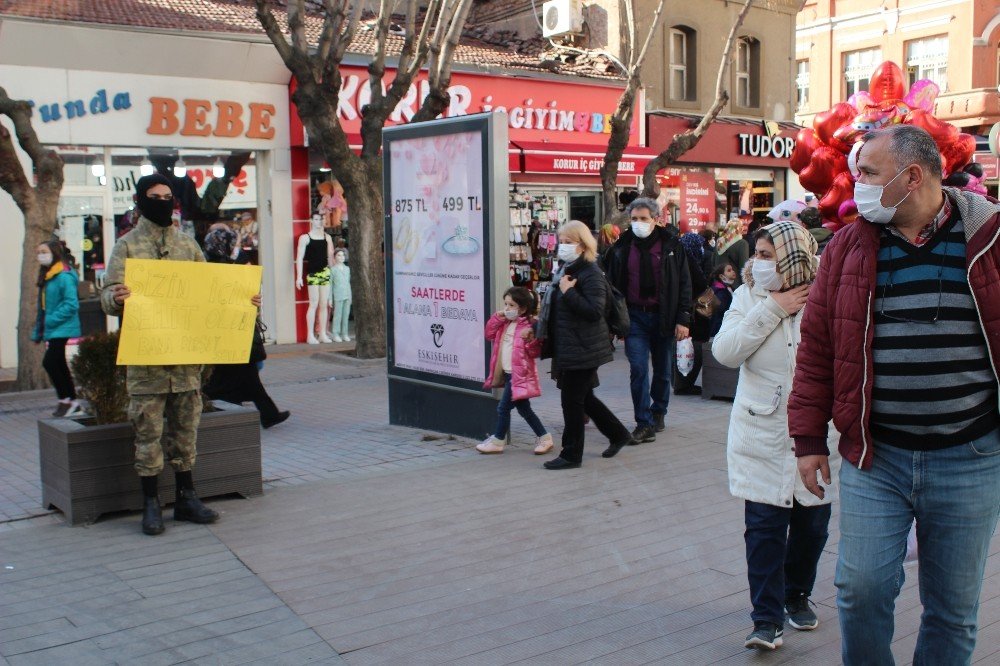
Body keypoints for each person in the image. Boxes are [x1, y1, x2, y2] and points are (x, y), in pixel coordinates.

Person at [789, 124, 1000, 664]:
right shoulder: (847, 246)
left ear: (912, 177)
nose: (855, 184)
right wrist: (808, 437)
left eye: (868, 174)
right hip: (874, 457)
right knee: (860, 593)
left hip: (970, 456)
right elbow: (815, 347)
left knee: (953, 611)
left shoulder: (990, 238)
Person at [101, 173, 261, 536]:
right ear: (141, 200)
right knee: (148, 433)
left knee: (186, 431)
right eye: (154, 196)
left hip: (186, 361)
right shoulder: (125, 246)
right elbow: (108, 294)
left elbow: (209, 294)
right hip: (147, 363)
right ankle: (152, 503)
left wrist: (243, 301)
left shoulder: (188, 246)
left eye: (167, 196)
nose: (162, 202)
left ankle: (187, 498)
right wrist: (115, 298)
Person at [713, 220, 836, 652]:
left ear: (794, 257)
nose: (758, 263)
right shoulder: (747, 296)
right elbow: (725, 352)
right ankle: (765, 620)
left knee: (811, 527)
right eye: (757, 254)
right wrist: (773, 308)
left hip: (816, 436)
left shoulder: (827, 294)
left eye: (768, 255)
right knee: (763, 528)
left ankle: (796, 594)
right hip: (760, 432)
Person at [535, 221, 635, 469]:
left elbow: (594, 311)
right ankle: (618, 434)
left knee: (571, 401)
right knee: (584, 397)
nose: (563, 246)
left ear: (583, 245)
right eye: (562, 241)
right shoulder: (566, 269)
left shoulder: (590, 273)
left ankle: (571, 454)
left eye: (569, 242)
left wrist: (569, 292)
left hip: (585, 347)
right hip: (571, 345)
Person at [604, 197, 692, 442]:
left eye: (643, 219)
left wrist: (683, 319)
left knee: (663, 370)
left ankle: (659, 410)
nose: (638, 223)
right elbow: (611, 284)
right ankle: (643, 422)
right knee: (639, 369)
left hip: (663, 316)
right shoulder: (622, 247)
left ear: (656, 220)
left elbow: (685, 284)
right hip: (634, 318)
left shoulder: (672, 246)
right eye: (634, 219)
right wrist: (612, 321)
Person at [201, 226, 290, 430]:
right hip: (230, 335)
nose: (237, 248)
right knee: (238, 378)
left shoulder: (222, 266)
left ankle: (266, 414)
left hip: (230, 335)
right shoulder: (219, 270)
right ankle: (265, 414)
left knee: (242, 377)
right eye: (234, 244)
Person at [477, 287, 553, 456]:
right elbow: (489, 334)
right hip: (507, 373)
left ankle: (498, 441)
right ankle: (545, 437)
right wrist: (498, 317)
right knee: (524, 409)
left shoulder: (529, 326)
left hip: (519, 375)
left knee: (503, 408)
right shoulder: (505, 323)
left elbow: (535, 353)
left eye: (511, 305)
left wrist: (532, 339)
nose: (507, 308)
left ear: (523, 309)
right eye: (505, 304)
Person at [33, 240, 83, 417]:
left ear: (54, 253)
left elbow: (71, 304)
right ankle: (70, 401)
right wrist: (39, 329)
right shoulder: (49, 275)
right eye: (39, 252)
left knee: (50, 362)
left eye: (44, 251)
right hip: (53, 327)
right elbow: (43, 307)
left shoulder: (64, 275)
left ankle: (67, 399)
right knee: (58, 363)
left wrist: (52, 320)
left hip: (61, 326)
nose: (40, 255)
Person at [674, 232, 712, 395]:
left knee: (680, 345)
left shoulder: (676, 257)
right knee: (692, 345)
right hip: (695, 310)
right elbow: (700, 284)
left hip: (685, 309)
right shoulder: (689, 259)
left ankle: (680, 382)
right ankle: (684, 383)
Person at [295, 214, 334, 344]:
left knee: (324, 304)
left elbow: (330, 256)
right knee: (313, 303)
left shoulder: (327, 237)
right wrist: (299, 277)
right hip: (312, 273)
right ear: (311, 220)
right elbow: (299, 258)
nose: (319, 222)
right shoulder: (305, 238)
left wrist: (332, 272)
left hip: (325, 272)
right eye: (316, 219)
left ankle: (322, 333)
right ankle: (310, 335)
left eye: (321, 219)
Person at [717, 215, 750, 289]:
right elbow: (744, 267)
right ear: (739, 228)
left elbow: (713, 262)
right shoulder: (742, 243)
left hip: (719, 283)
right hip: (734, 284)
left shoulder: (719, 242)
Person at [707, 263, 737, 338]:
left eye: (732, 269)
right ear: (721, 276)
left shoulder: (729, 288)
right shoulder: (719, 290)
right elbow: (720, 310)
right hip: (719, 328)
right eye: (729, 270)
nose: (733, 271)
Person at [329, 249, 352, 342]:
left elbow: (348, 283)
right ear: (335, 257)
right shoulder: (332, 270)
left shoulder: (347, 269)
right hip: (338, 295)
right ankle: (335, 334)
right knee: (337, 315)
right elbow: (330, 285)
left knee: (345, 315)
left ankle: (344, 333)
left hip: (347, 294)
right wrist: (330, 298)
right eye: (339, 255)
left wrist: (350, 296)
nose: (341, 257)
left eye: (343, 255)